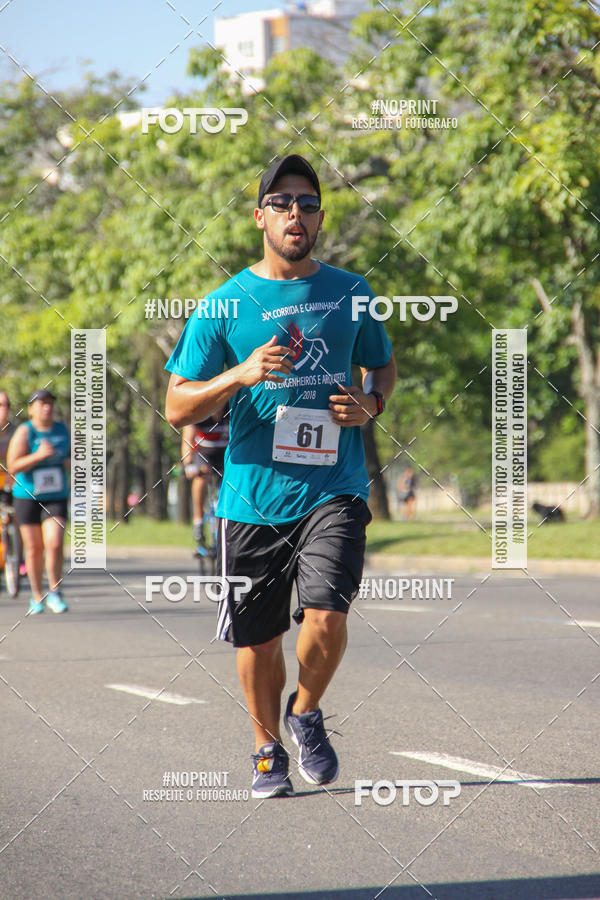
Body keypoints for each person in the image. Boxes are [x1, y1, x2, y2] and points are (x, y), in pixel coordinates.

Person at [165, 154, 396, 798]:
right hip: (252, 495)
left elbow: (381, 368)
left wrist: (371, 404)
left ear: (320, 218)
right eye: (284, 202)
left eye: (309, 203)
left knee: (327, 609)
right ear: (261, 215)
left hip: (335, 486)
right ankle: (267, 746)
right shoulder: (223, 304)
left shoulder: (353, 292)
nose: (297, 213)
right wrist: (238, 375)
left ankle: (305, 713)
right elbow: (178, 405)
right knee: (259, 638)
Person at [7, 389, 70, 615]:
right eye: (41, 403)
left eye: (50, 403)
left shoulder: (63, 430)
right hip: (27, 497)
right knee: (34, 548)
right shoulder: (25, 432)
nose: (47, 407)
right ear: (31, 408)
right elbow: (12, 465)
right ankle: (36, 595)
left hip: (56, 496)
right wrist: (38, 456)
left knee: (54, 542)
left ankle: (55, 591)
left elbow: (72, 458)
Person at [181, 408, 229, 547]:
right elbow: (188, 439)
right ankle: (198, 520)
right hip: (204, 455)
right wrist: (188, 464)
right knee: (200, 479)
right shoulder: (200, 412)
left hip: (224, 455)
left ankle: (221, 528)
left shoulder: (229, 410)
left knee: (228, 486)